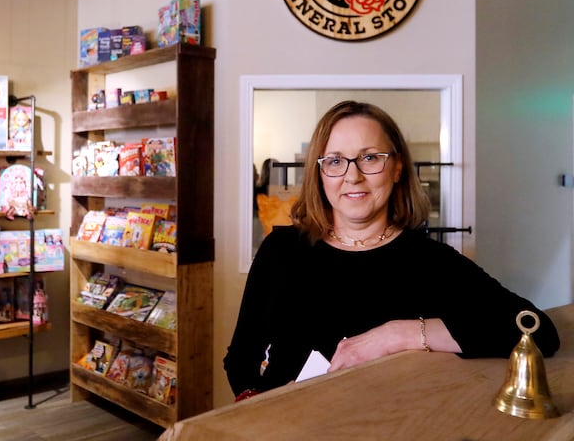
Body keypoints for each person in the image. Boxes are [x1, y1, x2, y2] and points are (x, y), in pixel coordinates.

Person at [224, 100, 560, 401]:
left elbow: (538, 331)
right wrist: (252, 402)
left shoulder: (430, 260)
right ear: (320, 173)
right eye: (336, 161)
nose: (352, 176)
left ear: (397, 168)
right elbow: (241, 357)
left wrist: (399, 334)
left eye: (370, 158)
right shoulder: (281, 250)